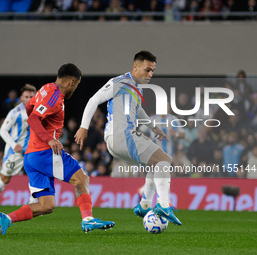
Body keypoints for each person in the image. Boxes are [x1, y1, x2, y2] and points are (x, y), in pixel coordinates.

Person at [0, 63, 115, 235]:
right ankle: (88, 220)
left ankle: (7, 218)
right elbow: (34, 119)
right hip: (44, 153)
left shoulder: (46, 88)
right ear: (72, 82)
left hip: (31, 156)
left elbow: (29, 109)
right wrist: (48, 138)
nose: (76, 88)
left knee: (47, 205)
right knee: (82, 179)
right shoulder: (54, 97)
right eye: (77, 85)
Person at [75, 51, 182, 225]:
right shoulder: (119, 82)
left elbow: (138, 111)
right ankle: (162, 205)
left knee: (155, 163)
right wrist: (83, 127)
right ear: (135, 67)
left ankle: (145, 205)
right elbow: (94, 100)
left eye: (152, 71)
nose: (150, 75)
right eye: (147, 70)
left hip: (121, 139)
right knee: (164, 161)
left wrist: (154, 128)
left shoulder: (135, 89)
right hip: (122, 136)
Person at [0, 84, 37, 217]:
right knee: (5, 178)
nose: (29, 99)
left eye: (32, 96)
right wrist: (13, 145)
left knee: (36, 173)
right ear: (21, 97)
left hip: (32, 149)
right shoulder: (15, 113)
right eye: (26, 96)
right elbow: (3, 130)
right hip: (15, 151)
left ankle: (33, 201)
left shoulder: (39, 110)